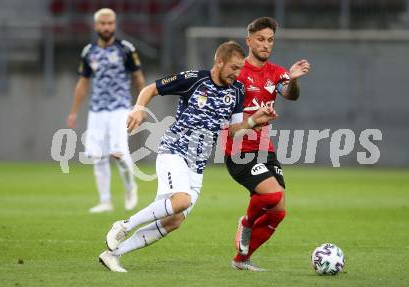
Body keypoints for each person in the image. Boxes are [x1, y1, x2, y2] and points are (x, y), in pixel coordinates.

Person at [98, 40, 278, 272]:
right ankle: (123, 225)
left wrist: (254, 121)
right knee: (180, 201)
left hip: (197, 165)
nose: (238, 73)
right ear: (219, 62)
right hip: (174, 151)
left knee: (174, 220)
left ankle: (112, 255)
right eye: (233, 67)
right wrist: (138, 108)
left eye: (240, 68)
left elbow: (234, 130)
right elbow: (150, 89)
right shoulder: (194, 79)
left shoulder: (237, 91)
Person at [222, 17, 311, 271]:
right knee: (272, 194)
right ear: (249, 40)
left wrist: (293, 79)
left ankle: (241, 260)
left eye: (270, 40)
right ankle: (246, 223)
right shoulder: (237, 72)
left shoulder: (277, 72)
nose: (266, 44)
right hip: (239, 151)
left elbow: (289, 94)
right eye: (260, 39)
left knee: (278, 211)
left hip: (265, 150)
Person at [66, 8, 145, 213]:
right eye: (103, 23)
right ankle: (105, 200)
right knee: (98, 156)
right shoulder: (88, 52)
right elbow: (83, 83)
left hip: (120, 108)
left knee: (118, 153)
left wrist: (140, 106)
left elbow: (138, 79)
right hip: (97, 110)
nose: (106, 27)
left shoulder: (126, 49)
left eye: (110, 23)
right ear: (96, 25)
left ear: (115, 25)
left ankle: (130, 188)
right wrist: (74, 112)